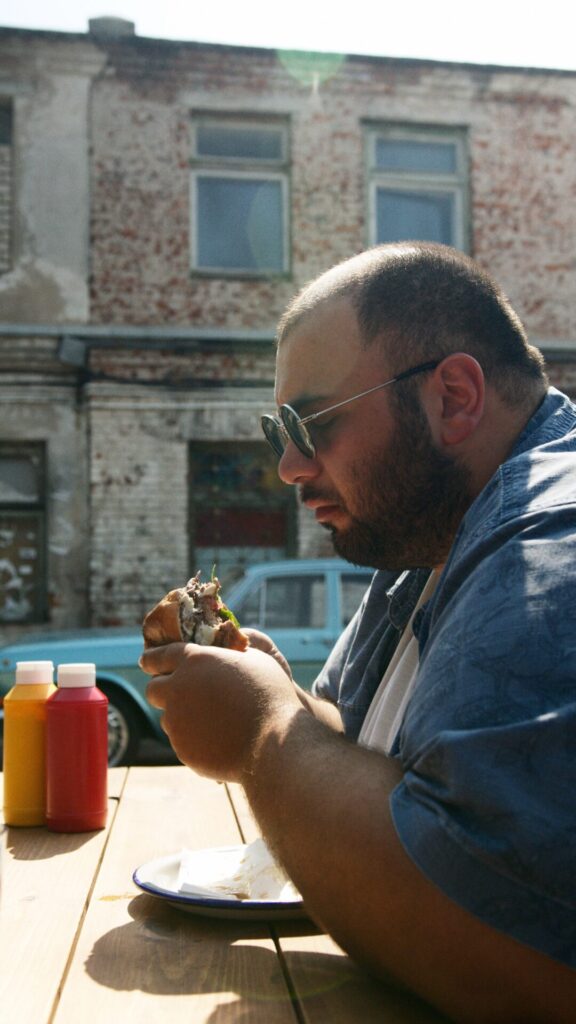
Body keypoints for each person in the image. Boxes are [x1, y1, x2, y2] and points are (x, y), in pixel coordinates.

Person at [142, 242, 576, 1022]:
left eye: (313, 424)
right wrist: (276, 692)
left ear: (452, 397)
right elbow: (359, 753)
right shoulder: (424, 532)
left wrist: (263, 734)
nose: (289, 468)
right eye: (281, 433)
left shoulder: (549, 543)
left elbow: (509, 946)